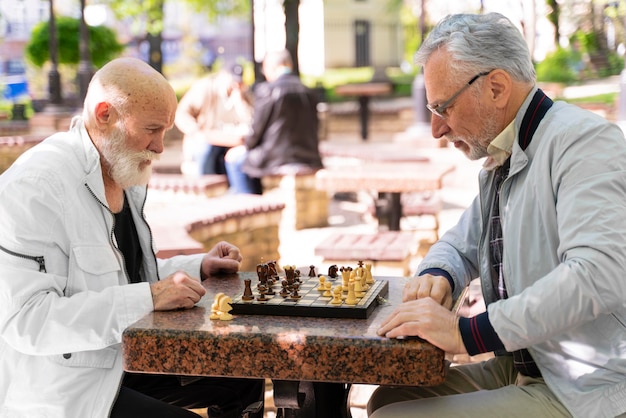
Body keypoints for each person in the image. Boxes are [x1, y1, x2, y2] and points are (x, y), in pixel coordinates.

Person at [367, 13, 626, 418]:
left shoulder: (583, 143)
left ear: (496, 87)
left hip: (588, 387)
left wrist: (465, 333)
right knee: (389, 398)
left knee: (391, 416)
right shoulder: (508, 149)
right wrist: (439, 273)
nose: (436, 128)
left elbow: (598, 273)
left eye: (443, 107)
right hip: (528, 364)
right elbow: (460, 242)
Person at [0, 57, 264, 418]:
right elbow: (27, 322)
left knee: (243, 371)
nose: (159, 147)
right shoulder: (35, 187)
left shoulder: (121, 167)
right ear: (104, 114)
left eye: (165, 131)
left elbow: (126, 276)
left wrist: (196, 266)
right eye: (152, 129)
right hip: (63, 390)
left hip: (121, 361)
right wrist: (149, 297)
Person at [224, 49, 324, 194]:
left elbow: (256, 131)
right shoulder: (308, 91)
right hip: (309, 156)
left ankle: (247, 202)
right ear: (289, 64)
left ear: (269, 67)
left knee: (234, 160)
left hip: (275, 157)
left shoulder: (266, 90)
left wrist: (246, 146)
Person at [175, 63, 252, 177]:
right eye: (232, 81)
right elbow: (181, 113)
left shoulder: (242, 94)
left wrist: (241, 100)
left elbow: (250, 121)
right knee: (205, 150)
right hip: (205, 138)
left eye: (238, 81)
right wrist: (196, 131)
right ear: (223, 76)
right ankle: (204, 184)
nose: (235, 84)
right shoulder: (205, 88)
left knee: (240, 156)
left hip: (231, 140)